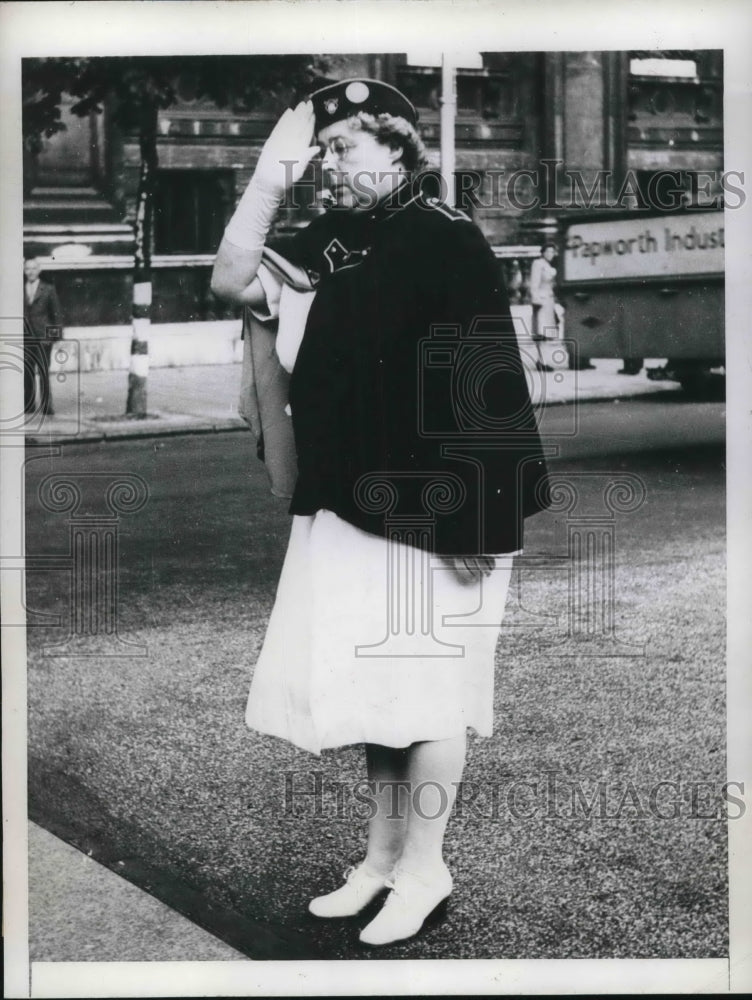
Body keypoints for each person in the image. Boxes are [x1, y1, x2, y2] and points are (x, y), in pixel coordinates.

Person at [211, 78, 550, 947]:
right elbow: (231, 278)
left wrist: (478, 515)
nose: (331, 166)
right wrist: (269, 179)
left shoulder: (446, 236)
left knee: (430, 694)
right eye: (324, 152)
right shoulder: (334, 239)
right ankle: (380, 862)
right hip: (350, 498)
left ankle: (426, 869)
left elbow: (484, 378)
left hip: (438, 507)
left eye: (347, 149)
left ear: (399, 149)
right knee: (376, 693)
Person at [23, 257, 62, 416]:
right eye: (27, 269)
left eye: (33, 268)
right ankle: (29, 406)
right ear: (24, 271)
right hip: (25, 338)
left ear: (39, 270)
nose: (30, 272)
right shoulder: (19, 290)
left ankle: (47, 407)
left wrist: (56, 339)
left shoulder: (48, 289)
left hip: (43, 338)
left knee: (43, 372)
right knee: (27, 373)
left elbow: (56, 315)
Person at [528, 242, 563, 373]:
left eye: (552, 252)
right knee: (541, 333)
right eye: (547, 251)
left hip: (549, 301)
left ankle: (542, 360)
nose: (550, 254)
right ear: (542, 253)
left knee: (547, 333)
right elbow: (534, 284)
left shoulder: (548, 265)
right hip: (542, 302)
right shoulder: (538, 264)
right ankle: (542, 361)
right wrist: (536, 300)